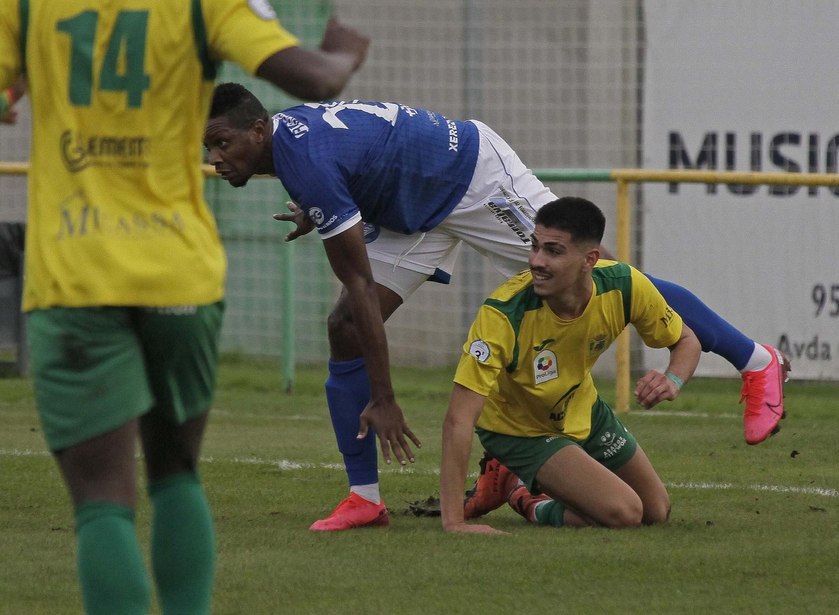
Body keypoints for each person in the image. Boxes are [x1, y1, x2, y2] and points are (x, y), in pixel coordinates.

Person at [0, 0, 368, 615]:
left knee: (102, 496)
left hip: (73, 277)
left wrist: (11, 95)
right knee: (175, 475)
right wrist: (341, 50)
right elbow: (314, 78)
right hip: (178, 275)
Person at [202, 85, 788, 532]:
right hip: (414, 210)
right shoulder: (292, 146)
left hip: (469, 176)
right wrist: (319, 207)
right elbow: (348, 165)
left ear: (258, 131)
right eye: (208, 147)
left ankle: (755, 359)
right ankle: (366, 500)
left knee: (605, 273)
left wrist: (385, 400)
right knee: (346, 330)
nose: (215, 157)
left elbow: (357, 275)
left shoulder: (304, 161)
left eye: (222, 144)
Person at [439, 197, 698, 532]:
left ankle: (514, 483)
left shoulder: (624, 285)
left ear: (589, 259)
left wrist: (672, 380)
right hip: (518, 430)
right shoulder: (503, 315)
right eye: (535, 247)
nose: (536, 261)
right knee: (625, 513)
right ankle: (528, 499)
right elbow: (458, 419)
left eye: (553, 251)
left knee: (655, 511)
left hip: (582, 409)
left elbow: (687, 341)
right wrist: (453, 523)